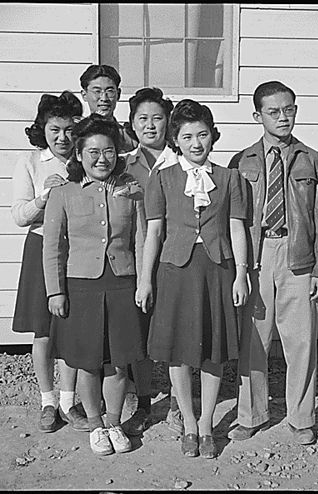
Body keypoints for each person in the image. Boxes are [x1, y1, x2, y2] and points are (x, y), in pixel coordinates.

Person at [136, 99, 249, 459]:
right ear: (176, 140)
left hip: (217, 268)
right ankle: (187, 423)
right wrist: (145, 280)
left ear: (213, 136)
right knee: (179, 351)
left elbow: (237, 228)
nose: (196, 143)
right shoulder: (164, 178)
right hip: (175, 270)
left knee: (214, 350)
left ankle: (205, 427)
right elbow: (154, 232)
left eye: (202, 134)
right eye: (187, 137)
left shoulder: (230, 178)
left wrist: (241, 274)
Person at [227, 81, 318, 445]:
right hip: (256, 258)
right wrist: (236, 269)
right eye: (274, 112)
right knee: (254, 341)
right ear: (257, 116)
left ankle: (301, 417)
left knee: (301, 342)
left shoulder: (312, 160)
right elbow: (233, 220)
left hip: (298, 258)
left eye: (289, 109)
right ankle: (251, 414)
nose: (283, 117)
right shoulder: (241, 162)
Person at [43, 114, 146, 456]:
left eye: (109, 151)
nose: (102, 159)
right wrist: (55, 291)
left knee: (118, 361)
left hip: (122, 283)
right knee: (87, 361)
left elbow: (141, 241)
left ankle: (115, 422)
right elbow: (54, 246)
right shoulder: (64, 193)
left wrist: (143, 283)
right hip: (81, 286)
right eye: (93, 152)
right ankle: (96, 425)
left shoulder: (131, 191)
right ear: (79, 155)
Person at [11, 90, 89, 433]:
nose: (63, 137)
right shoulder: (30, 162)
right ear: (42, 128)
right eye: (54, 129)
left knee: (71, 328)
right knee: (43, 331)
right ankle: (47, 401)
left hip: (78, 250)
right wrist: (45, 196)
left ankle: (70, 401)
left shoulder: (88, 158)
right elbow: (19, 215)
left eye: (70, 129)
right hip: (41, 247)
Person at [119, 87, 183, 437]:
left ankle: (178, 402)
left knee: (177, 332)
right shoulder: (123, 165)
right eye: (142, 118)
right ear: (131, 124)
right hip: (135, 260)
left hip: (176, 258)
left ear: (168, 122)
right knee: (140, 334)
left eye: (157, 118)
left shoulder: (183, 161)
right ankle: (143, 403)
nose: (150, 125)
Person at [79, 64, 138, 153]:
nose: (104, 98)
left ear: (118, 94)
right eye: (97, 91)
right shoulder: (77, 133)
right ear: (84, 95)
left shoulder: (129, 137)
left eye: (110, 91)